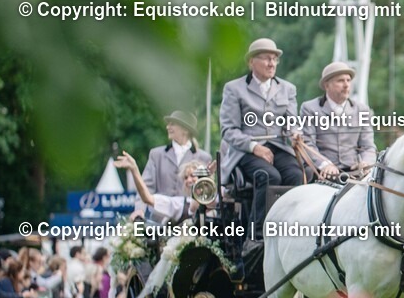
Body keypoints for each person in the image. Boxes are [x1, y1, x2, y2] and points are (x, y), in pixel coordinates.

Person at [219, 38, 306, 233]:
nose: (271, 63)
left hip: (279, 147)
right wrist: (254, 147)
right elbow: (228, 130)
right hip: (247, 150)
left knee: (295, 174)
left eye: (275, 59)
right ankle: (257, 234)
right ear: (251, 62)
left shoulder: (288, 89)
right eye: (266, 58)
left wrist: (295, 133)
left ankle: (289, 228)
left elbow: (292, 122)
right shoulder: (234, 89)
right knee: (268, 176)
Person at [300, 62, 377, 179]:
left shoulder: (362, 110)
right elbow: (308, 144)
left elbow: (368, 146)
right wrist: (325, 165)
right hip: (320, 171)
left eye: (348, 80)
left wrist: (366, 163)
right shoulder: (309, 108)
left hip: (354, 170)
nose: (346, 85)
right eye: (340, 81)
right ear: (327, 85)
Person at [136, 110, 212, 214]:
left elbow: (207, 193)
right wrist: (139, 210)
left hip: (191, 222)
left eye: (172, 124)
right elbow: (145, 186)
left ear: (185, 129)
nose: (168, 127)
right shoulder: (156, 155)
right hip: (160, 223)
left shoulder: (203, 157)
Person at [115, 152, 206, 223]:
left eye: (192, 175)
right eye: (185, 178)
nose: (189, 180)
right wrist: (134, 169)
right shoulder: (179, 204)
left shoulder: (215, 199)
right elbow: (148, 198)